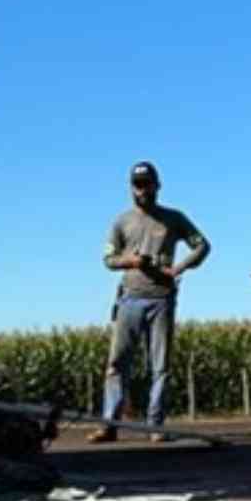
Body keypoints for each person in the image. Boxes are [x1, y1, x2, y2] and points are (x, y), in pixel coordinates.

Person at [94, 161, 211, 443]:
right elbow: (108, 259)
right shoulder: (122, 222)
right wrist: (131, 261)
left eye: (147, 184)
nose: (142, 190)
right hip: (130, 299)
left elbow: (202, 245)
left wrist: (179, 268)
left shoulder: (173, 218)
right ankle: (109, 424)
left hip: (162, 299)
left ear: (157, 186)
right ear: (131, 188)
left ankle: (155, 425)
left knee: (159, 366)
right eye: (137, 185)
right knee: (117, 364)